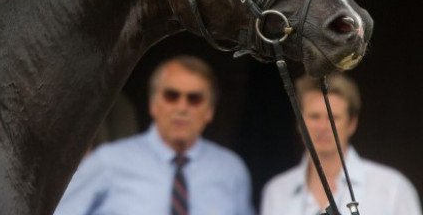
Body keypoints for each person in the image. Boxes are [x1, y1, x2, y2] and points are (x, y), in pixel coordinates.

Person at [54, 55, 254, 215]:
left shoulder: (231, 170)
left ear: (209, 111)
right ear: (153, 104)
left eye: (194, 99)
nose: (182, 108)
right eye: (171, 96)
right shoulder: (108, 162)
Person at [260, 72, 422, 215]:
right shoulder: (276, 191)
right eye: (314, 116)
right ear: (299, 123)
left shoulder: (392, 188)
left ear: (351, 123)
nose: (323, 127)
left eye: (333, 118)